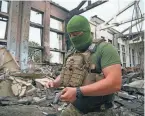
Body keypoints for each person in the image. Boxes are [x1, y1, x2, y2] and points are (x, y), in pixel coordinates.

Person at [45, 15, 122, 116]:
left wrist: (78, 92)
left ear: (87, 32)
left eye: (76, 34)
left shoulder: (105, 49)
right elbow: (68, 72)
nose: (73, 38)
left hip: (100, 111)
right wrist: (54, 83)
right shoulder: (72, 52)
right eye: (70, 35)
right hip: (76, 107)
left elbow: (115, 83)